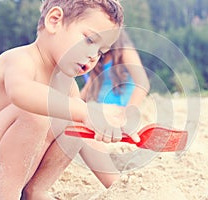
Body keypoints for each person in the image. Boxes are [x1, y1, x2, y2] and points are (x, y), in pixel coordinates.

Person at [0, 0, 141, 199]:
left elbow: (86, 134)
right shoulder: (21, 59)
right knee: (37, 112)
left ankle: (36, 191)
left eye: (100, 52)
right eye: (89, 40)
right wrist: (85, 111)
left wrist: (119, 187)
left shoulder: (67, 83)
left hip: (9, 174)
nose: (93, 57)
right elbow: (19, 92)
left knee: (78, 122)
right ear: (54, 21)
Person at [22, 30, 150, 199]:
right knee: (84, 114)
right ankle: (117, 185)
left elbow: (142, 83)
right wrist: (77, 105)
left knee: (88, 116)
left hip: (118, 107)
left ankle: (117, 186)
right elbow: (87, 88)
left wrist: (128, 112)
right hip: (98, 105)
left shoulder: (123, 50)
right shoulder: (96, 57)